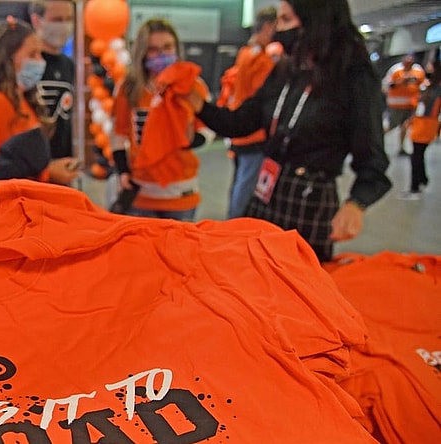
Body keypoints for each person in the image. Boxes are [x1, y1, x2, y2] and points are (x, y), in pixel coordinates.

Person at [187, 0, 391, 262]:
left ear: (314, 20)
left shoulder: (353, 75)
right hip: (267, 186)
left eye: (286, 21)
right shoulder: (287, 69)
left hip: (308, 198)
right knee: (252, 268)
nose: (278, 31)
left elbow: (372, 154)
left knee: (295, 282)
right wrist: (201, 107)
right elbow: (243, 121)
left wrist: (356, 204)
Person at [0, 16, 78, 188]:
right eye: (32, 54)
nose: (40, 62)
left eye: (40, 53)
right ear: (8, 59)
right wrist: (49, 172)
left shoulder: (24, 101)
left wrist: (50, 170)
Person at [110, 18, 211, 221]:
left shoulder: (194, 86)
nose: (162, 54)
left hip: (182, 191)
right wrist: (122, 170)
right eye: (153, 49)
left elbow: (207, 131)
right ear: (142, 52)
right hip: (141, 192)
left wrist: (183, 140)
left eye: (167, 47)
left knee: (177, 252)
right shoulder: (128, 88)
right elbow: (118, 132)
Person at [221, 6, 280, 219]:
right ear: (267, 27)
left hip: (240, 133)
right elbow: (264, 92)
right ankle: (235, 228)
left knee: (240, 183)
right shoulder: (259, 59)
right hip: (253, 135)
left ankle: (233, 223)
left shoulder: (246, 54)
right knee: (245, 187)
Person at [29, 0, 76, 160]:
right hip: (30, 164)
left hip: (62, 161)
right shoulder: (27, 64)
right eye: (57, 19)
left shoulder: (68, 64)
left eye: (68, 19)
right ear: (37, 21)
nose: (64, 26)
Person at [399, 57, 440, 200]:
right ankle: (422, 179)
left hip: (426, 125)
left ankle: (414, 187)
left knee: (416, 156)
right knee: (418, 155)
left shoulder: (436, 89)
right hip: (421, 124)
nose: (427, 67)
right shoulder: (428, 86)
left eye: (430, 65)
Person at [382, 53, 426, 156]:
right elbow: (386, 85)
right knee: (391, 126)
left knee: (405, 126)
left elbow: (423, 85)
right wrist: (401, 81)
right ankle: (376, 143)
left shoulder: (418, 70)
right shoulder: (396, 70)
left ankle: (401, 148)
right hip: (396, 105)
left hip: (411, 105)